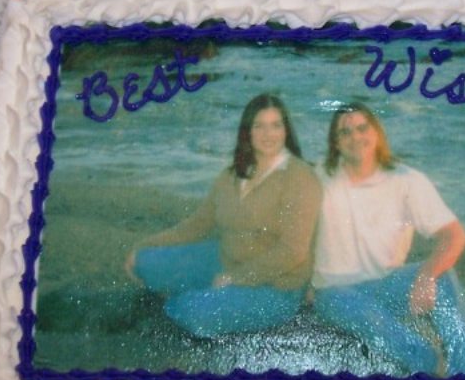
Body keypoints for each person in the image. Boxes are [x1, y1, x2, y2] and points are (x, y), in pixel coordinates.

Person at [125, 93, 322, 338]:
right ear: (247, 131)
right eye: (259, 126)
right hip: (225, 259)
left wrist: (237, 278)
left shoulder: (301, 177)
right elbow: (199, 223)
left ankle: (196, 300)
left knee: (191, 312)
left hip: (276, 285)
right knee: (145, 262)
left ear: (286, 130)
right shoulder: (233, 174)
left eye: (275, 125)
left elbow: (293, 251)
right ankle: (205, 295)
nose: (268, 134)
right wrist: (145, 245)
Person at [312, 102, 465, 377]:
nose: (355, 137)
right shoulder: (319, 177)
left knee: (443, 278)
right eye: (345, 132)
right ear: (335, 142)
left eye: (362, 128)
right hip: (335, 292)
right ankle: (428, 363)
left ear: (377, 133)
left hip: (387, 287)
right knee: (341, 301)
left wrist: (427, 276)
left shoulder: (407, 180)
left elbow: (454, 235)